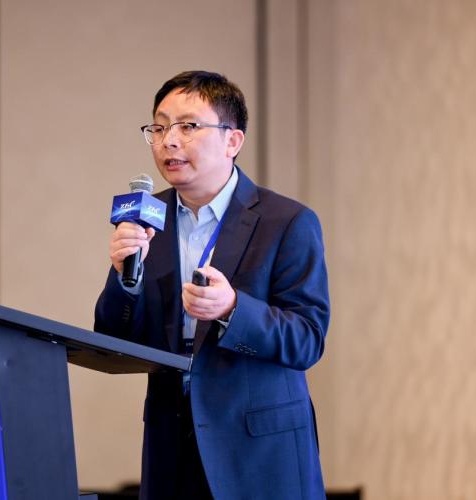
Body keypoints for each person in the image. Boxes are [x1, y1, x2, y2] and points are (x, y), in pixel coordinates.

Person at [95, 71, 329, 500]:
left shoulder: (286, 222)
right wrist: (125, 278)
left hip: (260, 451)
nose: (169, 141)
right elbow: (113, 337)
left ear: (232, 141)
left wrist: (233, 309)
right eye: (159, 128)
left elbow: (308, 339)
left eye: (188, 126)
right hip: (172, 447)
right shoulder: (148, 217)